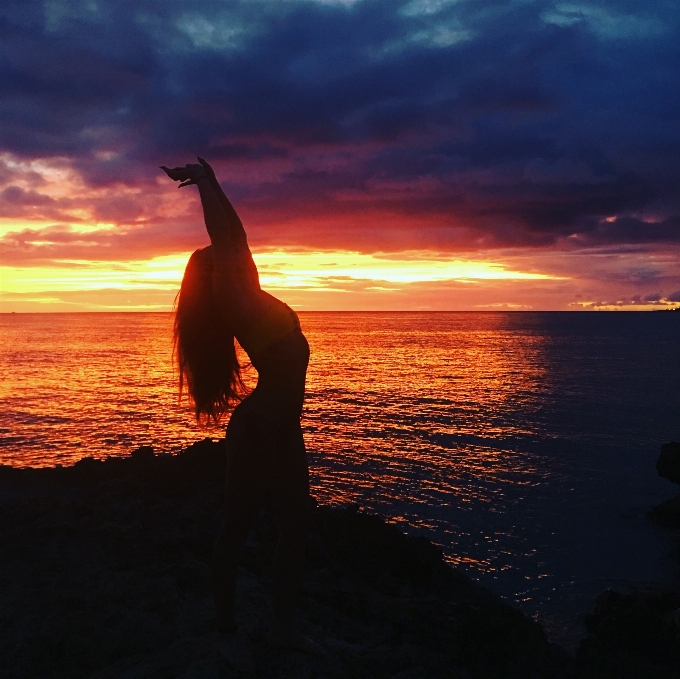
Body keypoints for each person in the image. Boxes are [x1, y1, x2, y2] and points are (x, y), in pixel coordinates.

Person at [162, 158, 319, 654]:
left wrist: (214, 179)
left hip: (280, 427)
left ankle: (282, 629)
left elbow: (235, 234)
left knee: (294, 527)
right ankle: (226, 627)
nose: (229, 249)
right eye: (220, 252)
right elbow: (226, 236)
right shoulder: (232, 295)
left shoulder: (245, 290)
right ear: (215, 272)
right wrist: (205, 184)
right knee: (238, 528)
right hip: (260, 429)